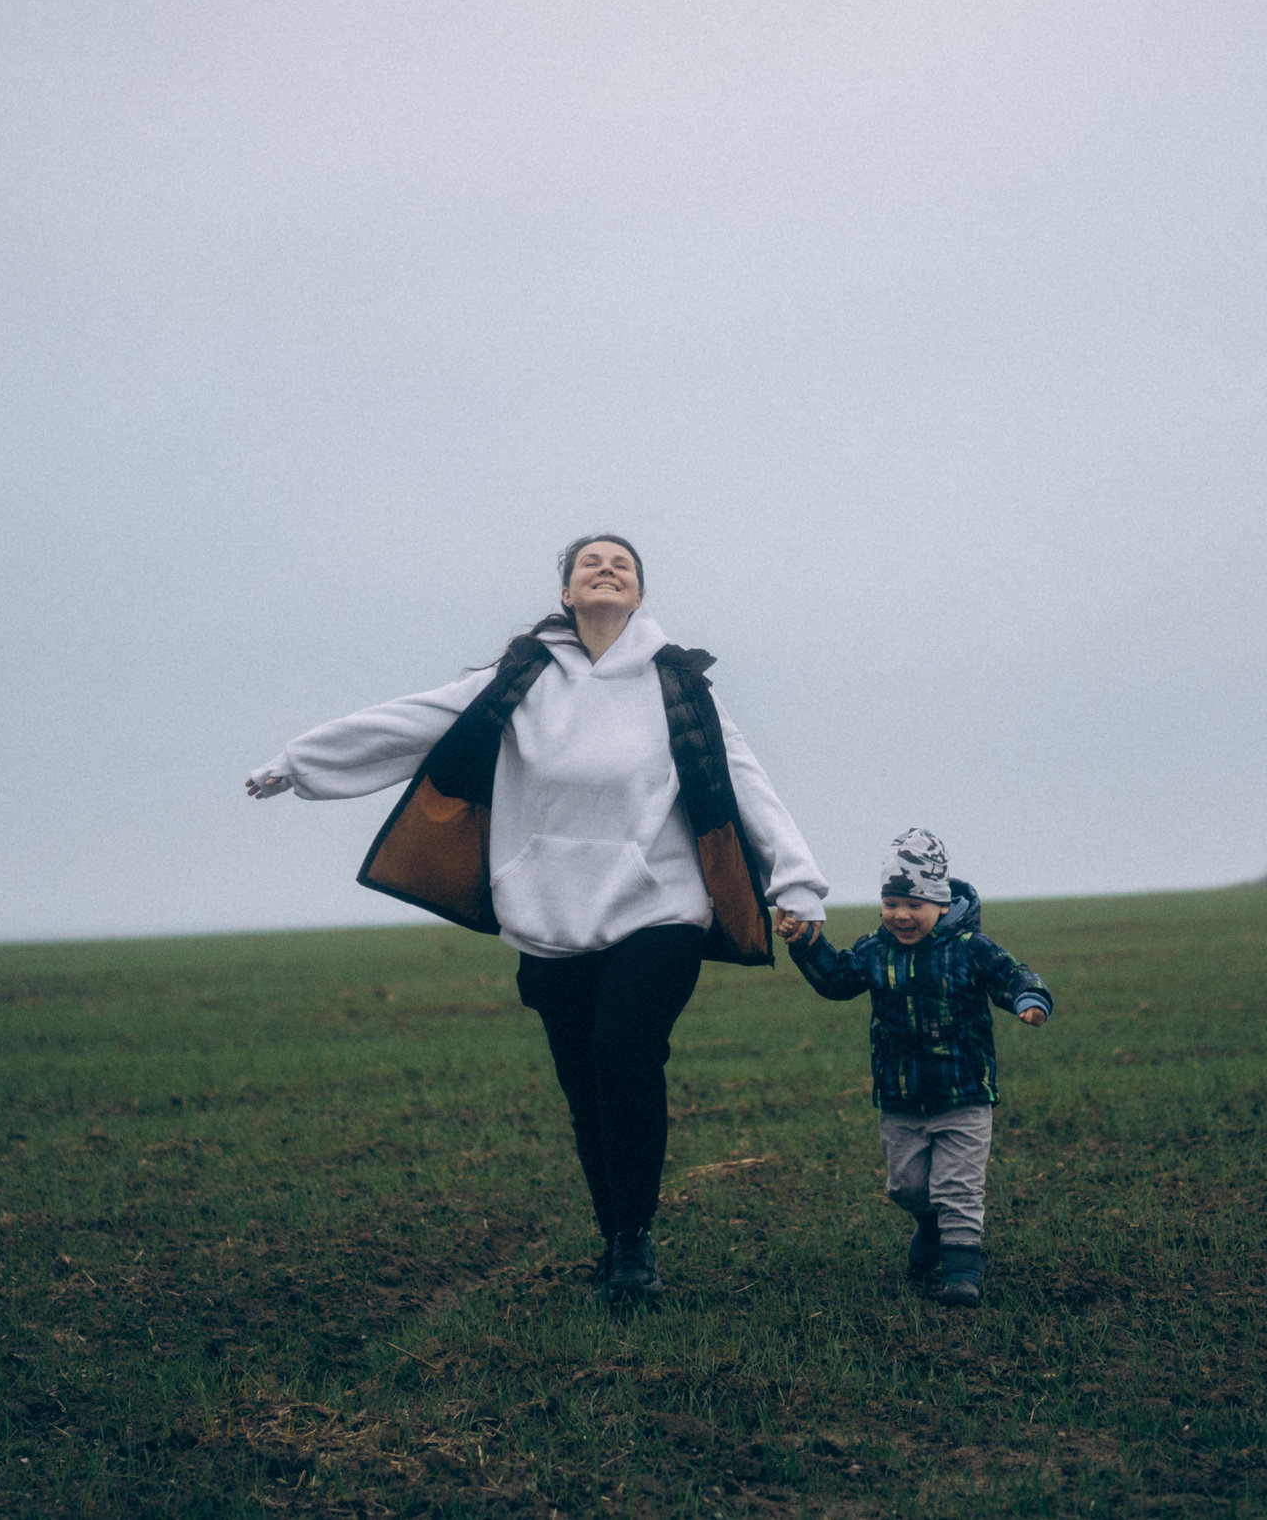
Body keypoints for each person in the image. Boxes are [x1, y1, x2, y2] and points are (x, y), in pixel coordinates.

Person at [247, 534, 828, 1302]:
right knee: (586, 1085)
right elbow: (413, 721)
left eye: (623, 562)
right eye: (591, 562)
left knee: (624, 1051)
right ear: (566, 592)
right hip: (550, 916)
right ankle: (615, 1231)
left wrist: (798, 882)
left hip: (660, 907)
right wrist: (300, 762)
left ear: (640, 594)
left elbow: (745, 781)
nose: (607, 568)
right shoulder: (521, 679)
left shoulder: (678, 685)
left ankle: (633, 1246)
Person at [776, 829, 1052, 1306]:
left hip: (964, 1093)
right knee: (907, 1187)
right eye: (891, 902)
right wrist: (805, 943)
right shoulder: (874, 950)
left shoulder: (970, 947)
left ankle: (962, 1270)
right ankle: (930, 1223)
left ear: (941, 905)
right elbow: (837, 981)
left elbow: (1010, 974)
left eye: (915, 904)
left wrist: (1029, 998)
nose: (901, 915)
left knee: (958, 1187)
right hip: (900, 1096)